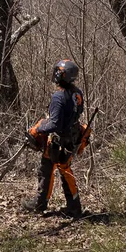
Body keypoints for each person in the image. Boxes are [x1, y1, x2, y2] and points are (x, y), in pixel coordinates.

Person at [21, 58, 86, 217]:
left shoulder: (58, 97)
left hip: (58, 141)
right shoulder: (77, 93)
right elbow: (77, 113)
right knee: (65, 171)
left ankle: (40, 204)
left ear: (61, 75)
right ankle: (74, 207)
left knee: (46, 170)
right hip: (72, 138)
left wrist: (38, 128)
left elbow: (54, 125)